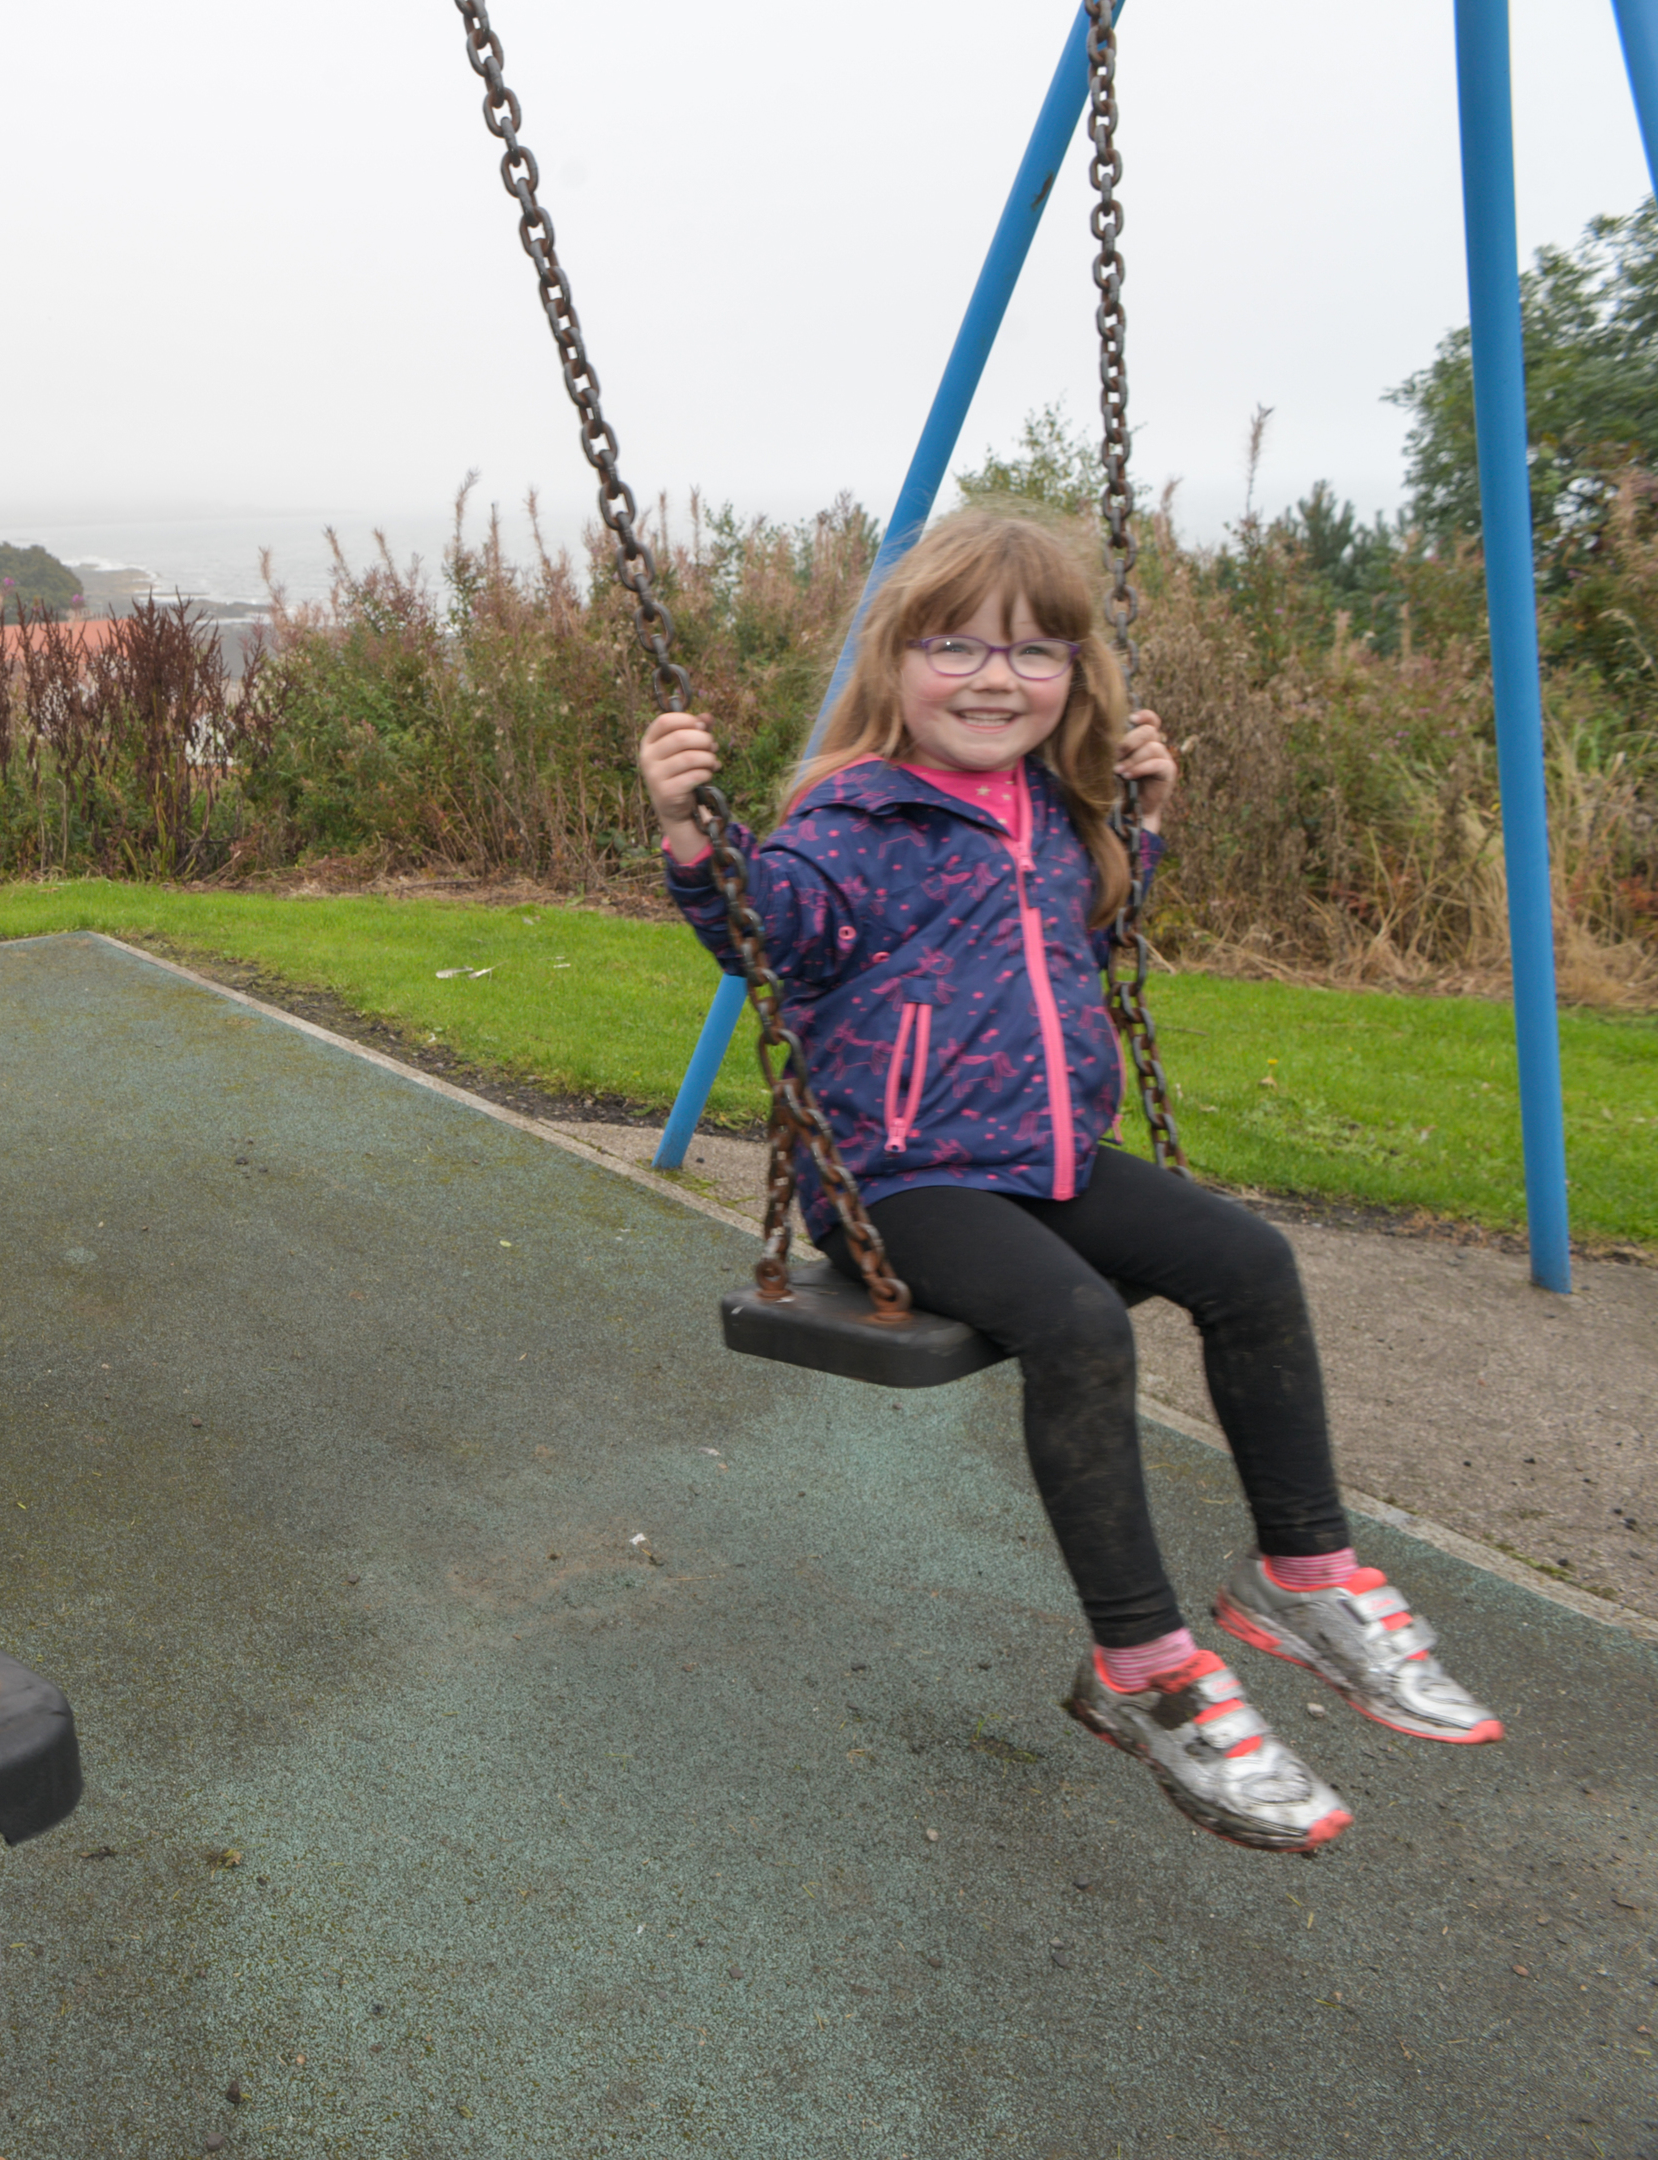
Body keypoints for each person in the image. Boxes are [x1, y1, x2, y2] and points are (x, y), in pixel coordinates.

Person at [636, 508, 1500, 1855]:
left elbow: (1079, 918)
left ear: (1077, 677)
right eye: (957, 646)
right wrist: (696, 838)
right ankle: (1142, 1666)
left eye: (1036, 653)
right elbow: (770, 933)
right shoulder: (853, 818)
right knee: (1078, 1325)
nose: (996, 677)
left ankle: (1301, 1572)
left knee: (1249, 1262)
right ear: (897, 664)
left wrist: (1141, 825)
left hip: (1040, 1155)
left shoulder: (1052, 809)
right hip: (902, 1180)